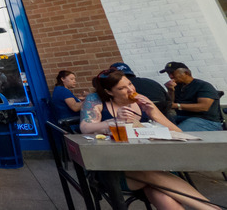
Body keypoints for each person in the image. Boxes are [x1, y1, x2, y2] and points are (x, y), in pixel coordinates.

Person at [80, 68, 218, 209]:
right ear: (109, 92)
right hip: (113, 168)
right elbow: (85, 127)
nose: (130, 90)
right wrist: (113, 121)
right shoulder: (95, 99)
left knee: (161, 194)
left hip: (149, 160)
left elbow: (177, 132)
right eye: (122, 88)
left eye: (130, 84)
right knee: (150, 173)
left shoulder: (140, 100)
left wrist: (153, 112)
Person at [160, 61, 222, 131]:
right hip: (183, 117)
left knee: (177, 132)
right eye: (168, 74)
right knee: (161, 122)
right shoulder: (177, 86)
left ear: (186, 73)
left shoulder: (203, 86)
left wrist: (177, 106)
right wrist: (170, 91)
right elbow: (170, 104)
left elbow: (204, 107)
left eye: (173, 73)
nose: (170, 76)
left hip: (206, 120)